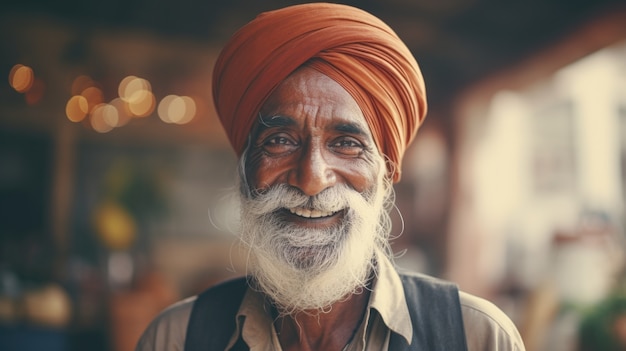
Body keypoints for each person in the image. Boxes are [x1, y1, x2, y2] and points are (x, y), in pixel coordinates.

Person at [136, 3, 526, 350]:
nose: (311, 179)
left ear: (385, 172)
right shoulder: (175, 338)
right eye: (281, 140)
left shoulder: (479, 338)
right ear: (245, 169)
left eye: (347, 144)